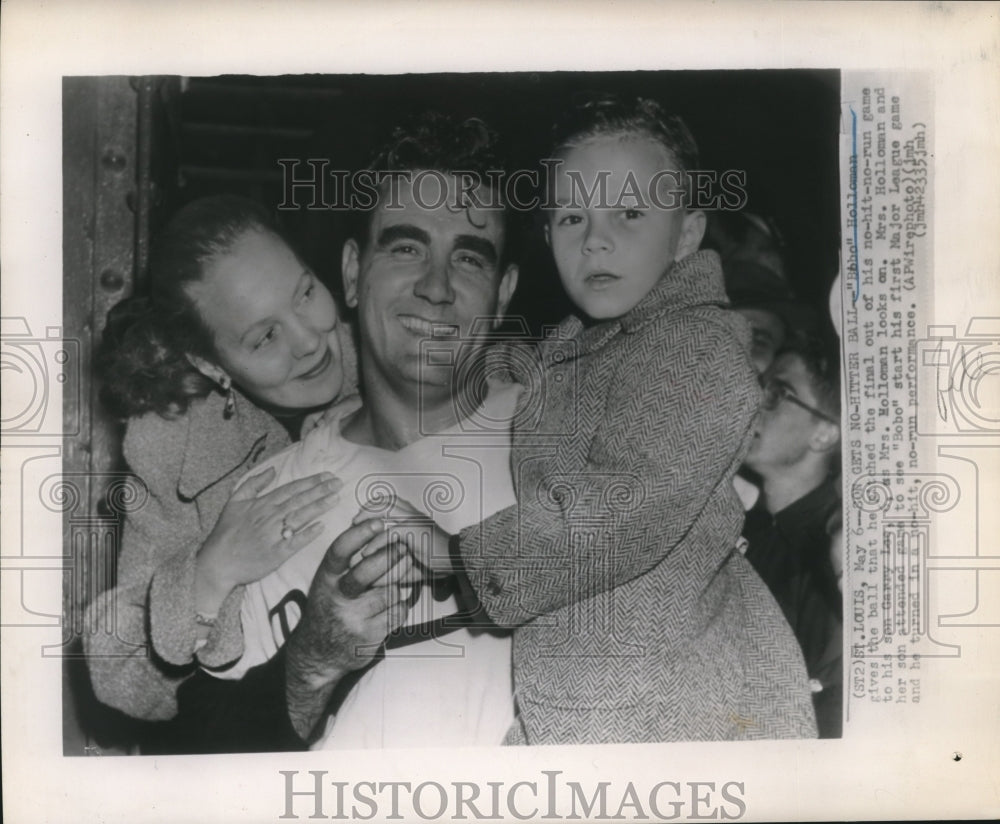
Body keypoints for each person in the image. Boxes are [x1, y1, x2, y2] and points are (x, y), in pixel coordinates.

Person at [357, 95, 818, 744]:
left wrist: (464, 557)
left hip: (676, 704)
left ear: (687, 235)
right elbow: (557, 377)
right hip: (584, 694)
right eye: (572, 216)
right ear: (547, 237)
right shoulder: (584, 341)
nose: (596, 238)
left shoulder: (695, 346)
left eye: (629, 213)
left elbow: (625, 504)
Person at [206, 113, 522, 748]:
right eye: (405, 248)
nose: (436, 287)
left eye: (469, 258)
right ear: (351, 274)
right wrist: (313, 660)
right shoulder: (268, 500)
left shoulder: (570, 434)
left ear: (504, 291)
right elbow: (211, 765)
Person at [83, 195, 384, 752]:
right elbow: (117, 674)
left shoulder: (388, 344)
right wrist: (210, 572)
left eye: (306, 292)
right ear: (210, 365)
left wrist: (371, 415)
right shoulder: (173, 442)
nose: (310, 340)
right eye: (264, 337)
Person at [740, 333, 844, 737]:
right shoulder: (740, 524)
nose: (754, 403)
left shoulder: (832, 558)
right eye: (760, 388)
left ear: (825, 434)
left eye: (778, 393)